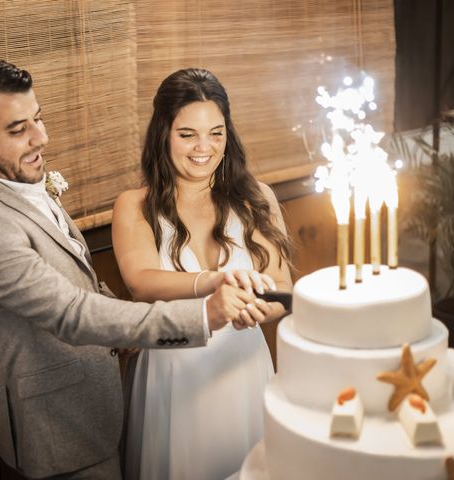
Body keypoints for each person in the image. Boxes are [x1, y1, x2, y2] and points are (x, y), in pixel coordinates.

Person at [0, 58, 273, 480]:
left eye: (37, 119)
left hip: (97, 400)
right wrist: (208, 311)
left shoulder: (11, 181)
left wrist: (118, 321)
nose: (42, 137)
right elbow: (69, 312)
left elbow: (75, 279)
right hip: (59, 423)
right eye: (19, 129)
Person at [112, 67, 293, 480]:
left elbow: (282, 288)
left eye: (216, 132)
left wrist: (260, 311)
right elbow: (140, 280)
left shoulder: (256, 198)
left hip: (244, 366)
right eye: (187, 134)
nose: (204, 147)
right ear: (163, 134)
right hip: (172, 374)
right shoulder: (134, 205)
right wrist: (213, 282)